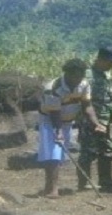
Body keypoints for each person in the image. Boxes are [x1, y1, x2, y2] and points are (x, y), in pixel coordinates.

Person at [38, 58, 102, 198]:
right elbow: (55, 113)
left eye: (81, 75)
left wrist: (96, 123)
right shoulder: (53, 88)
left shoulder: (84, 84)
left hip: (67, 121)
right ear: (67, 73)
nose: (78, 79)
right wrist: (58, 132)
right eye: (75, 75)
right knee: (53, 153)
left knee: (59, 155)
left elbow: (87, 105)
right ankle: (53, 189)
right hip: (49, 120)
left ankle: (49, 187)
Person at [78, 47, 112, 192]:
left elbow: (108, 98)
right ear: (101, 60)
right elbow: (84, 101)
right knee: (88, 152)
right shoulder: (87, 77)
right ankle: (84, 183)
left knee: (108, 151)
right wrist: (93, 121)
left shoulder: (104, 75)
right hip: (90, 122)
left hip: (106, 122)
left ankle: (106, 181)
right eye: (110, 62)